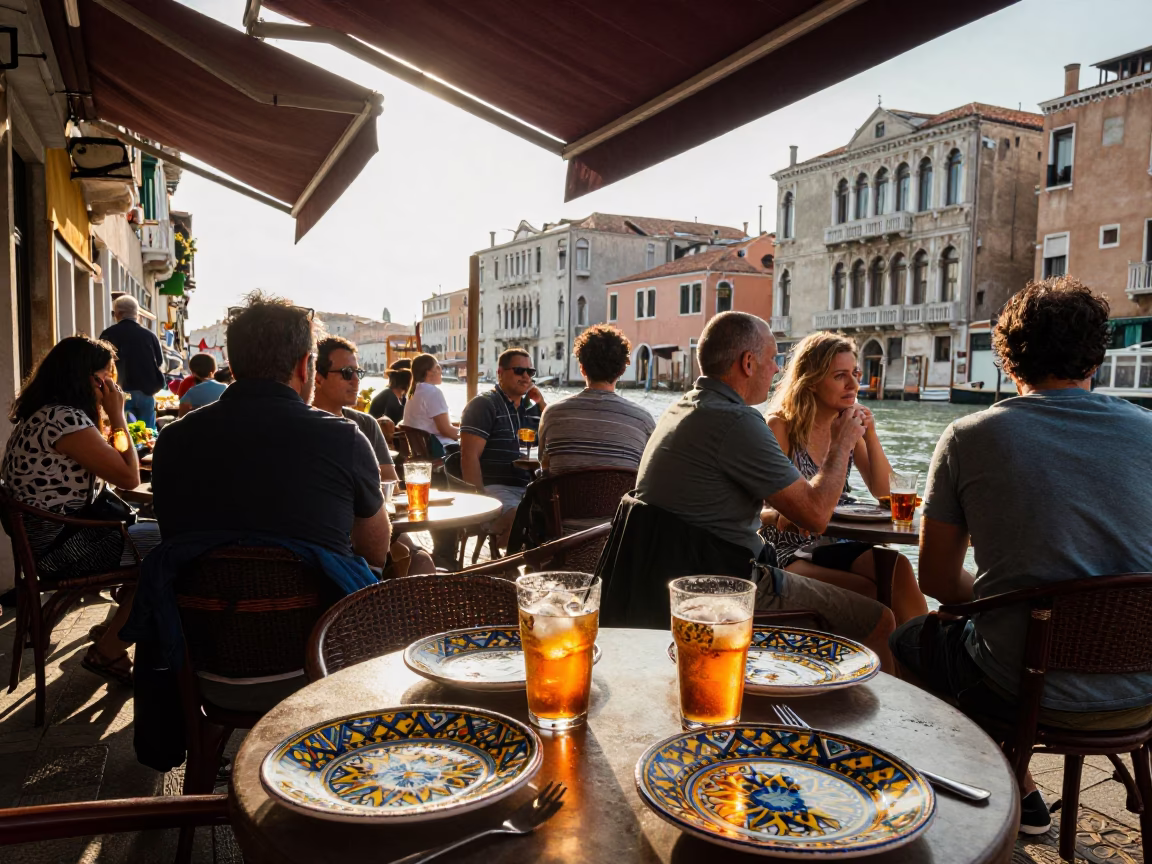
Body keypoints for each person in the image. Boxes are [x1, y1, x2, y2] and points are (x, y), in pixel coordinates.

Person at [890, 277, 1152, 835]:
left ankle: (996, 789)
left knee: (911, 639)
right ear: (1096, 359)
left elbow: (937, 579)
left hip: (1022, 685)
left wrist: (1020, 605)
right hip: (1143, 692)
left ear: (1007, 361)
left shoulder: (969, 437)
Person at [600, 311, 894, 667]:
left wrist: (774, 516)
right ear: (748, 363)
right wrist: (842, 443)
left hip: (665, 576)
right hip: (728, 582)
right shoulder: (737, 421)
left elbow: (721, 509)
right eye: (772, 359)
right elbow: (816, 516)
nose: (776, 369)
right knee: (879, 620)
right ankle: (884, 704)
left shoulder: (684, 409)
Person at [143, 293, 389, 713]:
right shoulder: (342, 436)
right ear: (304, 366)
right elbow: (375, 551)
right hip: (322, 670)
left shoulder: (173, 440)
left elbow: (176, 540)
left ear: (233, 364)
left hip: (204, 668)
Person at [1, 336, 160, 684]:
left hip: (55, 539)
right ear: (88, 378)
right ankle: (108, 649)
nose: (113, 387)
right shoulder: (63, 421)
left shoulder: (44, 415)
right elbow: (129, 476)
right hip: (64, 549)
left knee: (158, 538)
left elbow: (115, 465)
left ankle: (114, 628)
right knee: (171, 551)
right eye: (107, 377)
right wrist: (117, 414)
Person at [763, 332, 928, 625]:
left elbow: (885, 492)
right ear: (811, 381)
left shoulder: (848, 427)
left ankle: (924, 647)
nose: (853, 384)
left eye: (855, 374)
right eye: (840, 376)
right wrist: (782, 514)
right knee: (870, 592)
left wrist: (870, 434)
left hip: (838, 542)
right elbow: (756, 509)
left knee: (898, 568)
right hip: (789, 551)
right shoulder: (781, 427)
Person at [312, 337, 434, 575]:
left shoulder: (365, 424)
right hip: (329, 538)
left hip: (376, 524)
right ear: (318, 378)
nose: (356, 380)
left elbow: (390, 483)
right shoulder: (302, 426)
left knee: (421, 562)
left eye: (358, 372)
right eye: (347, 373)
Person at [537, 324, 655, 473]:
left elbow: (544, 464)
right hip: (620, 489)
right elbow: (650, 472)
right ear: (622, 370)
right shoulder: (644, 421)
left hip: (566, 489)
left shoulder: (551, 414)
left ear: (582, 369)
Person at [460, 348, 547, 545]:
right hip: (495, 487)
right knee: (520, 519)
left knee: (560, 516)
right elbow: (469, 456)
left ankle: (533, 561)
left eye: (530, 372)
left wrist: (541, 403)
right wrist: (478, 498)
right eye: (519, 371)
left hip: (529, 487)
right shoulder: (484, 405)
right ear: (500, 373)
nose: (526, 377)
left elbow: (552, 433)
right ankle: (510, 561)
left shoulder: (531, 410)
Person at [98, 295, 165, 429]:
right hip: (146, 391)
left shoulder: (108, 334)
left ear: (118, 313)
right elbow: (159, 361)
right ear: (137, 314)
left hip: (118, 392)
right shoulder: (149, 336)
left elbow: (100, 363)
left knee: (121, 432)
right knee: (148, 432)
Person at [401, 354, 458, 456]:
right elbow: (446, 430)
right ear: (429, 372)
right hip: (439, 449)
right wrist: (469, 433)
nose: (441, 370)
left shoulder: (413, 392)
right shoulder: (433, 392)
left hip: (422, 450)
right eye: (438, 367)